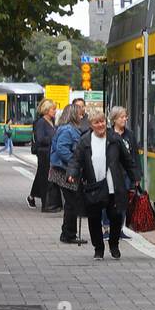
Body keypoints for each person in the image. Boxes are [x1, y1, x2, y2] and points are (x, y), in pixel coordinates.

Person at [72, 110, 138, 259]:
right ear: (91, 125)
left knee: (115, 216)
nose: (101, 124)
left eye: (102, 121)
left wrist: (135, 176)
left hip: (112, 185)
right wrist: (72, 173)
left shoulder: (114, 139)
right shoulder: (85, 141)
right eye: (97, 122)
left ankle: (113, 243)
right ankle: (98, 248)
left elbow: (127, 160)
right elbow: (76, 160)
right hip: (94, 186)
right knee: (94, 218)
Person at [50, 104, 85, 245]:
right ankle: (69, 234)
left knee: (71, 202)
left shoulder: (68, 129)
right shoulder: (68, 130)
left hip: (64, 169)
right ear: (73, 115)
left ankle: (67, 232)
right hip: (64, 171)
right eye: (80, 114)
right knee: (72, 203)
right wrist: (74, 162)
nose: (82, 117)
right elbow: (62, 149)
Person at [108, 105, 142, 242]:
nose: (125, 119)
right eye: (122, 117)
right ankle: (107, 228)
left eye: (125, 117)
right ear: (114, 119)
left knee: (123, 203)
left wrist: (137, 175)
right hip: (112, 174)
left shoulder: (130, 135)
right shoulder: (109, 134)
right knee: (109, 201)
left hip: (126, 175)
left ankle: (119, 229)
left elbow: (135, 156)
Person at [29, 99, 60, 210]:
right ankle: (45, 204)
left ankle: (48, 202)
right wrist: (53, 138)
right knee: (44, 178)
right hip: (44, 154)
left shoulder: (52, 121)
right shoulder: (41, 122)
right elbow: (40, 138)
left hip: (50, 153)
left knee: (48, 178)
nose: (55, 111)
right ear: (46, 110)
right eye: (53, 109)